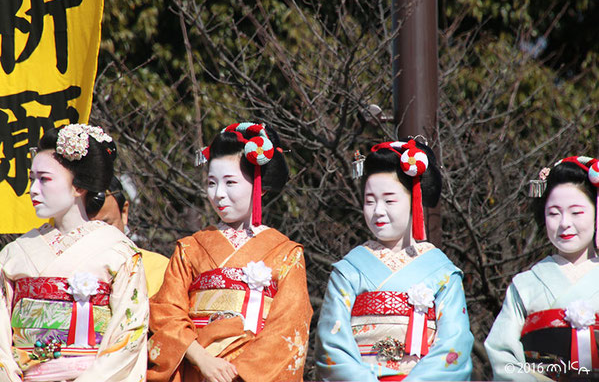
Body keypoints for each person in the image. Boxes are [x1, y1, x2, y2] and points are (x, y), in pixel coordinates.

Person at [147, 122, 313, 382]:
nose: (218, 194)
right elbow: (165, 311)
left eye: (230, 182)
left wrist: (239, 373)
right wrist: (203, 360)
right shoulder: (191, 248)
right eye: (212, 183)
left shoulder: (286, 253)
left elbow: (289, 326)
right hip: (198, 369)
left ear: (259, 184)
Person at [315, 139, 474, 381]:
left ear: (415, 200)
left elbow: (454, 344)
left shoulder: (441, 272)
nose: (378, 210)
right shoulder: (349, 270)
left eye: (389, 200)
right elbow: (332, 344)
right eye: (370, 200)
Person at [0, 124, 149, 381]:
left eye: (44, 179)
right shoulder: (13, 254)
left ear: (78, 186)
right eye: (32, 178)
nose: (33, 189)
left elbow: (129, 334)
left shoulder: (119, 252)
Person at [485, 156, 599, 381]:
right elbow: (502, 354)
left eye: (577, 212)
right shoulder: (526, 284)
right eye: (554, 213)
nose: (565, 223)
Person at [88, 176, 169, 297]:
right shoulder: (62, 268)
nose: (96, 236)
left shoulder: (159, 268)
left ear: (124, 212)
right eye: (85, 228)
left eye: (106, 225)